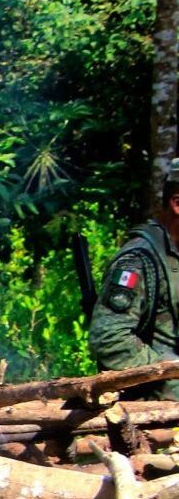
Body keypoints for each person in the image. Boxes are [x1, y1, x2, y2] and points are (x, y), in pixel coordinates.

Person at [91, 165, 179, 400]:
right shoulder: (138, 261)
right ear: (177, 204)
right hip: (156, 408)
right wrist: (168, 370)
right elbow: (109, 339)